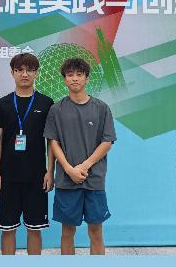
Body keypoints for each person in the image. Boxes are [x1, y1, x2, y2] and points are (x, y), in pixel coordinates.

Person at [44, 57, 116, 255]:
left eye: (79, 74)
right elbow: (53, 142)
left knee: (96, 232)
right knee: (67, 232)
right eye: (70, 75)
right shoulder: (56, 109)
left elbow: (107, 142)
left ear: (86, 78)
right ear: (64, 79)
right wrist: (68, 169)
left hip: (94, 180)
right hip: (66, 181)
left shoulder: (101, 108)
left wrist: (84, 166)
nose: (74, 78)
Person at [0, 53, 55, 255]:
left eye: (29, 70)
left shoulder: (46, 103)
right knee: (7, 229)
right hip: (8, 177)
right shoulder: (2, 104)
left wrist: (50, 171)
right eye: (19, 70)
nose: (24, 74)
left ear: (36, 73)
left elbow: (51, 141)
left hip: (37, 177)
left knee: (34, 229)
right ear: (12, 73)